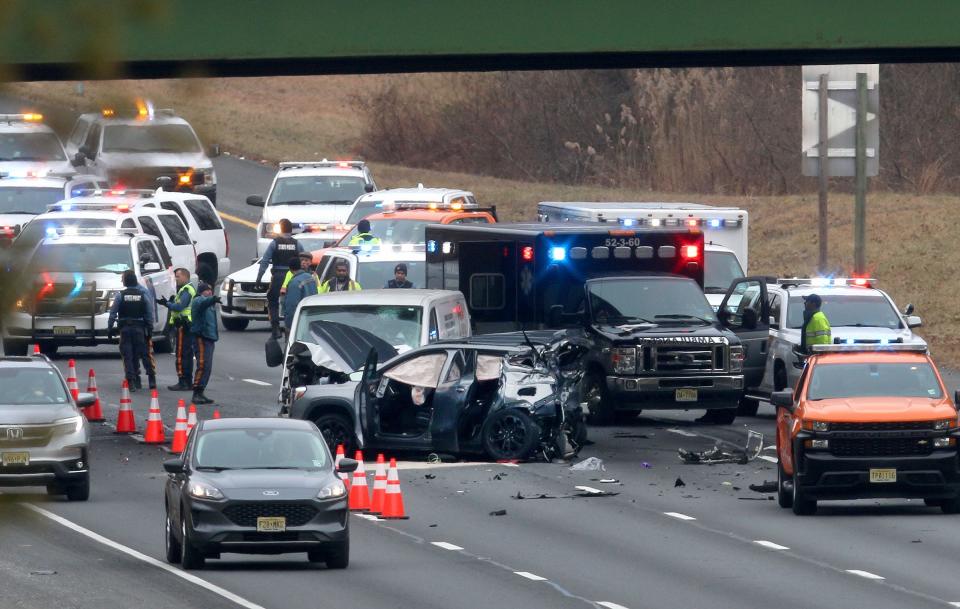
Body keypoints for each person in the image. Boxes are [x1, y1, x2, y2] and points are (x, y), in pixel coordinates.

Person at [108, 270, 156, 392]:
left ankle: (131, 381)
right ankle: (151, 379)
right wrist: (150, 328)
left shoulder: (120, 295)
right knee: (145, 353)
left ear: (126, 280)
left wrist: (109, 328)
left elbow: (113, 313)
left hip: (125, 329)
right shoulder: (142, 294)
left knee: (128, 355)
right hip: (140, 328)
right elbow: (149, 312)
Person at [256, 218, 303, 338]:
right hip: (293, 277)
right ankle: (292, 328)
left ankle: (276, 328)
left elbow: (265, 261)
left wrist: (259, 278)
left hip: (277, 276)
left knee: (272, 301)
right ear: (291, 230)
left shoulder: (275, 243)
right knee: (293, 303)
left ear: (280, 229)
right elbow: (304, 260)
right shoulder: (297, 244)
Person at [157, 268, 196, 391]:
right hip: (185, 326)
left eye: (178, 277)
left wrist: (167, 304)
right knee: (186, 355)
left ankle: (183, 382)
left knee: (181, 355)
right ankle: (187, 381)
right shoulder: (184, 290)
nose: (176, 279)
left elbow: (180, 307)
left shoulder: (187, 290)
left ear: (185, 277)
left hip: (184, 327)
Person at [190, 282, 220, 405]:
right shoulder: (198, 300)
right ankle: (196, 393)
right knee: (202, 365)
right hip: (201, 337)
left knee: (207, 367)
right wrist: (212, 299)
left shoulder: (210, 303)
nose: (209, 292)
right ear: (201, 292)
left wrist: (212, 300)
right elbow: (203, 303)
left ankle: (201, 392)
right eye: (207, 290)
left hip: (210, 338)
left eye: (211, 290)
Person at [283, 256, 319, 335]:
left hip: (300, 322)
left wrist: (289, 325)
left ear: (290, 268)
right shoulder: (310, 277)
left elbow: (292, 305)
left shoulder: (295, 282)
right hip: (313, 317)